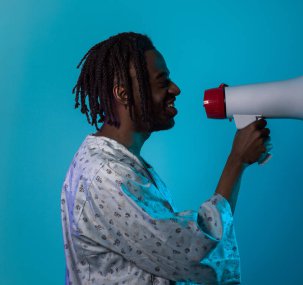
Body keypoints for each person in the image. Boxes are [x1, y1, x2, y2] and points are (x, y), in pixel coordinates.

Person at [61, 32, 270, 285]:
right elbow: (193, 256)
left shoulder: (118, 162)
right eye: (162, 82)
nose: (175, 89)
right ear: (123, 94)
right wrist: (237, 161)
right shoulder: (107, 175)